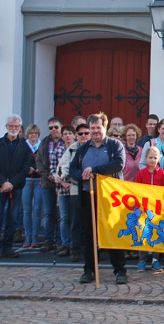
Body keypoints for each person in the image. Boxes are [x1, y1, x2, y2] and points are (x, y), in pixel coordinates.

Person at [69, 112, 127, 284]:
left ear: (105, 127)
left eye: (98, 127)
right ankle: (89, 270)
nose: (95, 131)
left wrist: (95, 170)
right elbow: (73, 170)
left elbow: (118, 164)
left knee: (113, 232)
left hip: (110, 196)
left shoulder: (114, 145)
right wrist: (82, 175)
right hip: (89, 195)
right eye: (92, 128)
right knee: (89, 234)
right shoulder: (83, 148)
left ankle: (120, 270)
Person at [0, 115, 30, 261]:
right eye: (11, 126)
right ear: (6, 127)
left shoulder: (24, 146)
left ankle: (7, 247)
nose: (14, 129)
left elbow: (25, 168)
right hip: (0, 186)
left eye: (16, 127)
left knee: (13, 218)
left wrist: (12, 183)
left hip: (16, 187)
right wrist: (3, 182)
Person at [135, 146, 164, 272]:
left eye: (155, 158)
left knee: (156, 233)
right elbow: (137, 190)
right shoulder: (141, 173)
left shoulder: (163, 174)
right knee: (143, 232)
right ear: (146, 158)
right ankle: (142, 259)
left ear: (159, 158)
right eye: (150, 158)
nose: (152, 160)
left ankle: (155, 259)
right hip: (144, 209)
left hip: (157, 210)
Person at [37, 117, 67, 252]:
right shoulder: (44, 142)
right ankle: (48, 240)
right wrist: (47, 174)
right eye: (51, 128)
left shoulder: (65, 141)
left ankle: (61, 240)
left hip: (61, 183)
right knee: (48, 213)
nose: (53, 130)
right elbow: (39, 161)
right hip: (48, 182)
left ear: (61, 127)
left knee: (62, 213)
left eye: (56, 127)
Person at [53, 125, 80, 260]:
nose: (68, 136)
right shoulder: (59, 150)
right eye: (65, 134)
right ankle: (65, 243)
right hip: (63, 189)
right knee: (64, 217)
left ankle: (75, 244)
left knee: (75, 217)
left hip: (76, 188)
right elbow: (57, 168)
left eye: (70, 133)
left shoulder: (78, 147)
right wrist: (63, 182)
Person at [20, 124, 44, 249]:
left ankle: (35, 237)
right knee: (27, 210)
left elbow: (46, 161)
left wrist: (41, 169)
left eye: (35, 133)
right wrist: (26, 169)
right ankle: (27, 237)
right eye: (31, 133)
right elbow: (19, 162)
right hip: (27, 180)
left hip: (39, 180)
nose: (33, 136)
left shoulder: (42, 146)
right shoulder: (23, 146)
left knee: (37, 209)